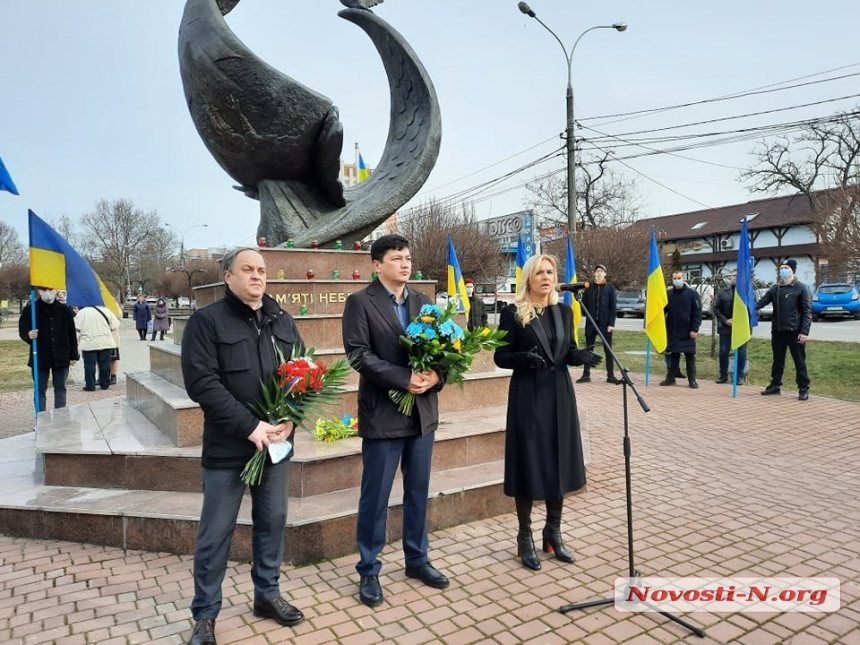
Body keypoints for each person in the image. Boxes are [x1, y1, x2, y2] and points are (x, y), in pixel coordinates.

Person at [181, 247, 306, 645]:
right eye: (247, 269)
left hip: (276, 446)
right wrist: (250, 426)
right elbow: (202, 384)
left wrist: (290, 418)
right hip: (228, 449)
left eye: (262, 270)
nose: (257, 276)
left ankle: (267, 595)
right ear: (228, 277)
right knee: (215, 533)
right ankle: (205, 616)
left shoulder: (281, 319)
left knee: (272, 524)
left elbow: (303, 372)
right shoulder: (206, 322)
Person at [342, 234, 448, 609]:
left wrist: (436, 377)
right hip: (384, 414)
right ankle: (368, 569)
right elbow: (359, 355)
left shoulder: (424, 301)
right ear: (376, 264)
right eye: (396, 258)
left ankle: (417, 560)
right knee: (376, 497)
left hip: (422, 415)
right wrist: (404, 379)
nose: (405, 264)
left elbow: (445, 350)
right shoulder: (360, 303)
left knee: (418, 491)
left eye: (407, 257)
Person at [493, 254, 601, 571]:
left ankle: (553, 532)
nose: (545, 277)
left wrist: (578, 355)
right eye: (539, 272)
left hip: (559, 393)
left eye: (550, 272)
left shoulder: (564, 311)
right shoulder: (513, 314)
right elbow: (500, 356)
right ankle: (524, 536)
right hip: (528, 394)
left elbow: (564, 351)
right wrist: (523, 357)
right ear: (528, 278)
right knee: (528, 462)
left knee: (559, 460)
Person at [755, 259, 812, 400]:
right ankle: (775, 385)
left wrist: (804, 332)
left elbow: (807, 311)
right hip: (778, 331)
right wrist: (746, 307)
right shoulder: (775, 288)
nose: (783, 270)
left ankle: (803, 387)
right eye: (781, 268)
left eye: (786, 268)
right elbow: (761, 303)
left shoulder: (801, 288)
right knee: (777, 360)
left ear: (793, 270)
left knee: (799, 361)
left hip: (795, 331)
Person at [18, 286, 79, 411]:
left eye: (50, 290)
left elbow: (72, 333)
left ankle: (60, 417)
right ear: (39, 291)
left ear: (56, 290)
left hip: (61, 354)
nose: (47, 293)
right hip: (40, 355)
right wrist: (28, 334)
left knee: (60, 388)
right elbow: (23, 328)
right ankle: (41, 418)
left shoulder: (64, 310)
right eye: (43, 290)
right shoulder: (31, 310)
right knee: (40, 390)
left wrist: (74, 355)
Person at [660, 271, 702, 389]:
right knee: (674, 355)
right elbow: (663, 310)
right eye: (674, 278)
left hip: (688, 331)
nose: (676, 280)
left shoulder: (692, 294)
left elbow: (697, 313)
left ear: (683, 278)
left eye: (679, 278)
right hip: (673, 330)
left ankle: (692, 380)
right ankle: (670, 378)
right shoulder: (668, 294)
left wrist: (695, 329)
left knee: (690, 357)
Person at [577, 264, 618, 384]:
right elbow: (583, 306)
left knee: (608, 349)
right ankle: (586, 374)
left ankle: (610, 375)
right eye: (597, 271)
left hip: (605, 324)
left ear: (605, 274)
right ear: (594, 274)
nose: (599, 273)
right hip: (591, 323)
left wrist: (611, 324)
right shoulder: (589, 288)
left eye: (601, 271)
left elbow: (613, 308)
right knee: (588, 349)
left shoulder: (610, 288)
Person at [74, 304, 120, 391]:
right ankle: (105, 384)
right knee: (105, 364)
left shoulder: (82, 313)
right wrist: (116, 344)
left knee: (89, 365)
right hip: (105, 342)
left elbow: (76, 328)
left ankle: (90, 385)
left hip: (88, 343)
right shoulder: (106, 311)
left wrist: (75, 343)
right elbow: (115, 327)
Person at [713, 269, 748, 384]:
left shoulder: (747, 292)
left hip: (741, 328)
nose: (736, 277)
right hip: (726, 327)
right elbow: (716, 309)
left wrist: (742, 321)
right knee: (723, 351)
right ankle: (723, 375)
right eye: (734, 275)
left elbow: (753, 309)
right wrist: (725, 320)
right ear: (730, 277)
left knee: (741, 352)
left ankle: (738, 377)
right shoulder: (723, 292)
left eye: (738, 275)